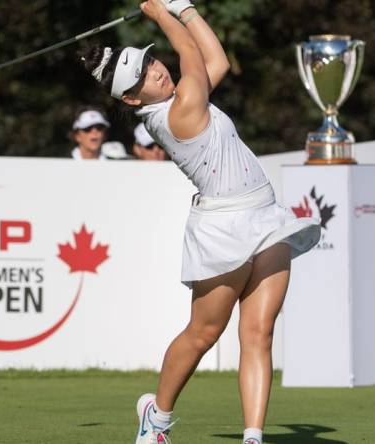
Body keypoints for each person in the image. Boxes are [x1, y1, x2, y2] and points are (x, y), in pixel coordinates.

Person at [78, 2, 321, 443]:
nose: (156, 72)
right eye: (144, 77)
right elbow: (190, 53)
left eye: (152, 62)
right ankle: (158, 415)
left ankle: (253, 437)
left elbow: (217, 61)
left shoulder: (186, 95)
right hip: (222, 229)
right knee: (204, 332)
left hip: (266, 216)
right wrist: (162, 12)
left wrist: (185, 7)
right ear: (132, 99)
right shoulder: (178, 111)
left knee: (259, 333)